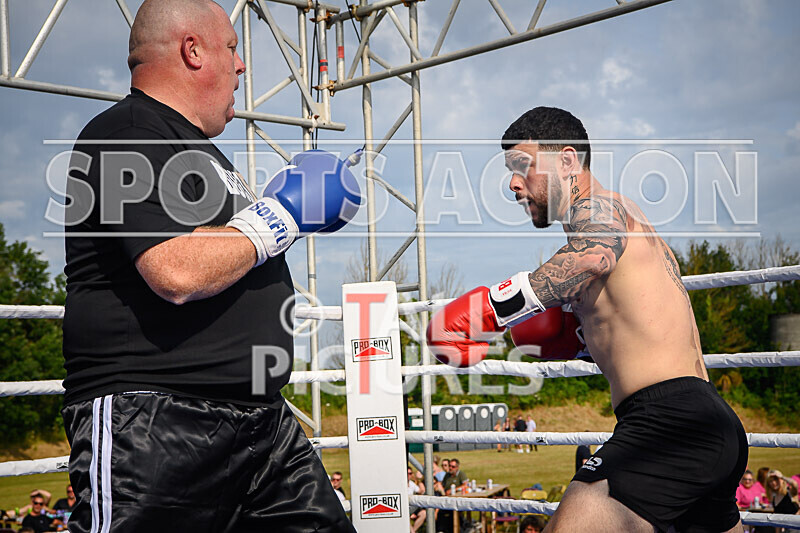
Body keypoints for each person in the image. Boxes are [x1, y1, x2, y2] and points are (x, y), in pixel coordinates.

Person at [60, 1, 357, 532]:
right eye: (233, 47)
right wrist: (287, 211)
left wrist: (286, 216)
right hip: (156, 422)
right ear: (192, 50)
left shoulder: (203, 154)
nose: (242, 66)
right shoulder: (126, 133)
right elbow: (174, 270)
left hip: (261, 422)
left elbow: (232, 254)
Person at [426, 107, 748, 532]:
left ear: (566, 160)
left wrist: (490, 310)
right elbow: (634, 328)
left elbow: (592, 254)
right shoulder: (624, 225)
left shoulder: (600, 208)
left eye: (522, 166)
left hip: (670, 423)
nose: (512, 184)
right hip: (704, 422)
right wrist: (572, 336)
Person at [407, 467, 426, 533]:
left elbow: (422, 491)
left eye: (410, 473)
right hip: (405, 510)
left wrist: (419, 480)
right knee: (406, 517)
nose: (409, 475)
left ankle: (413, 531)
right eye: (407, 473)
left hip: (412, 508)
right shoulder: (400, 485)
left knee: (424, 513)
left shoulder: (412, 484)